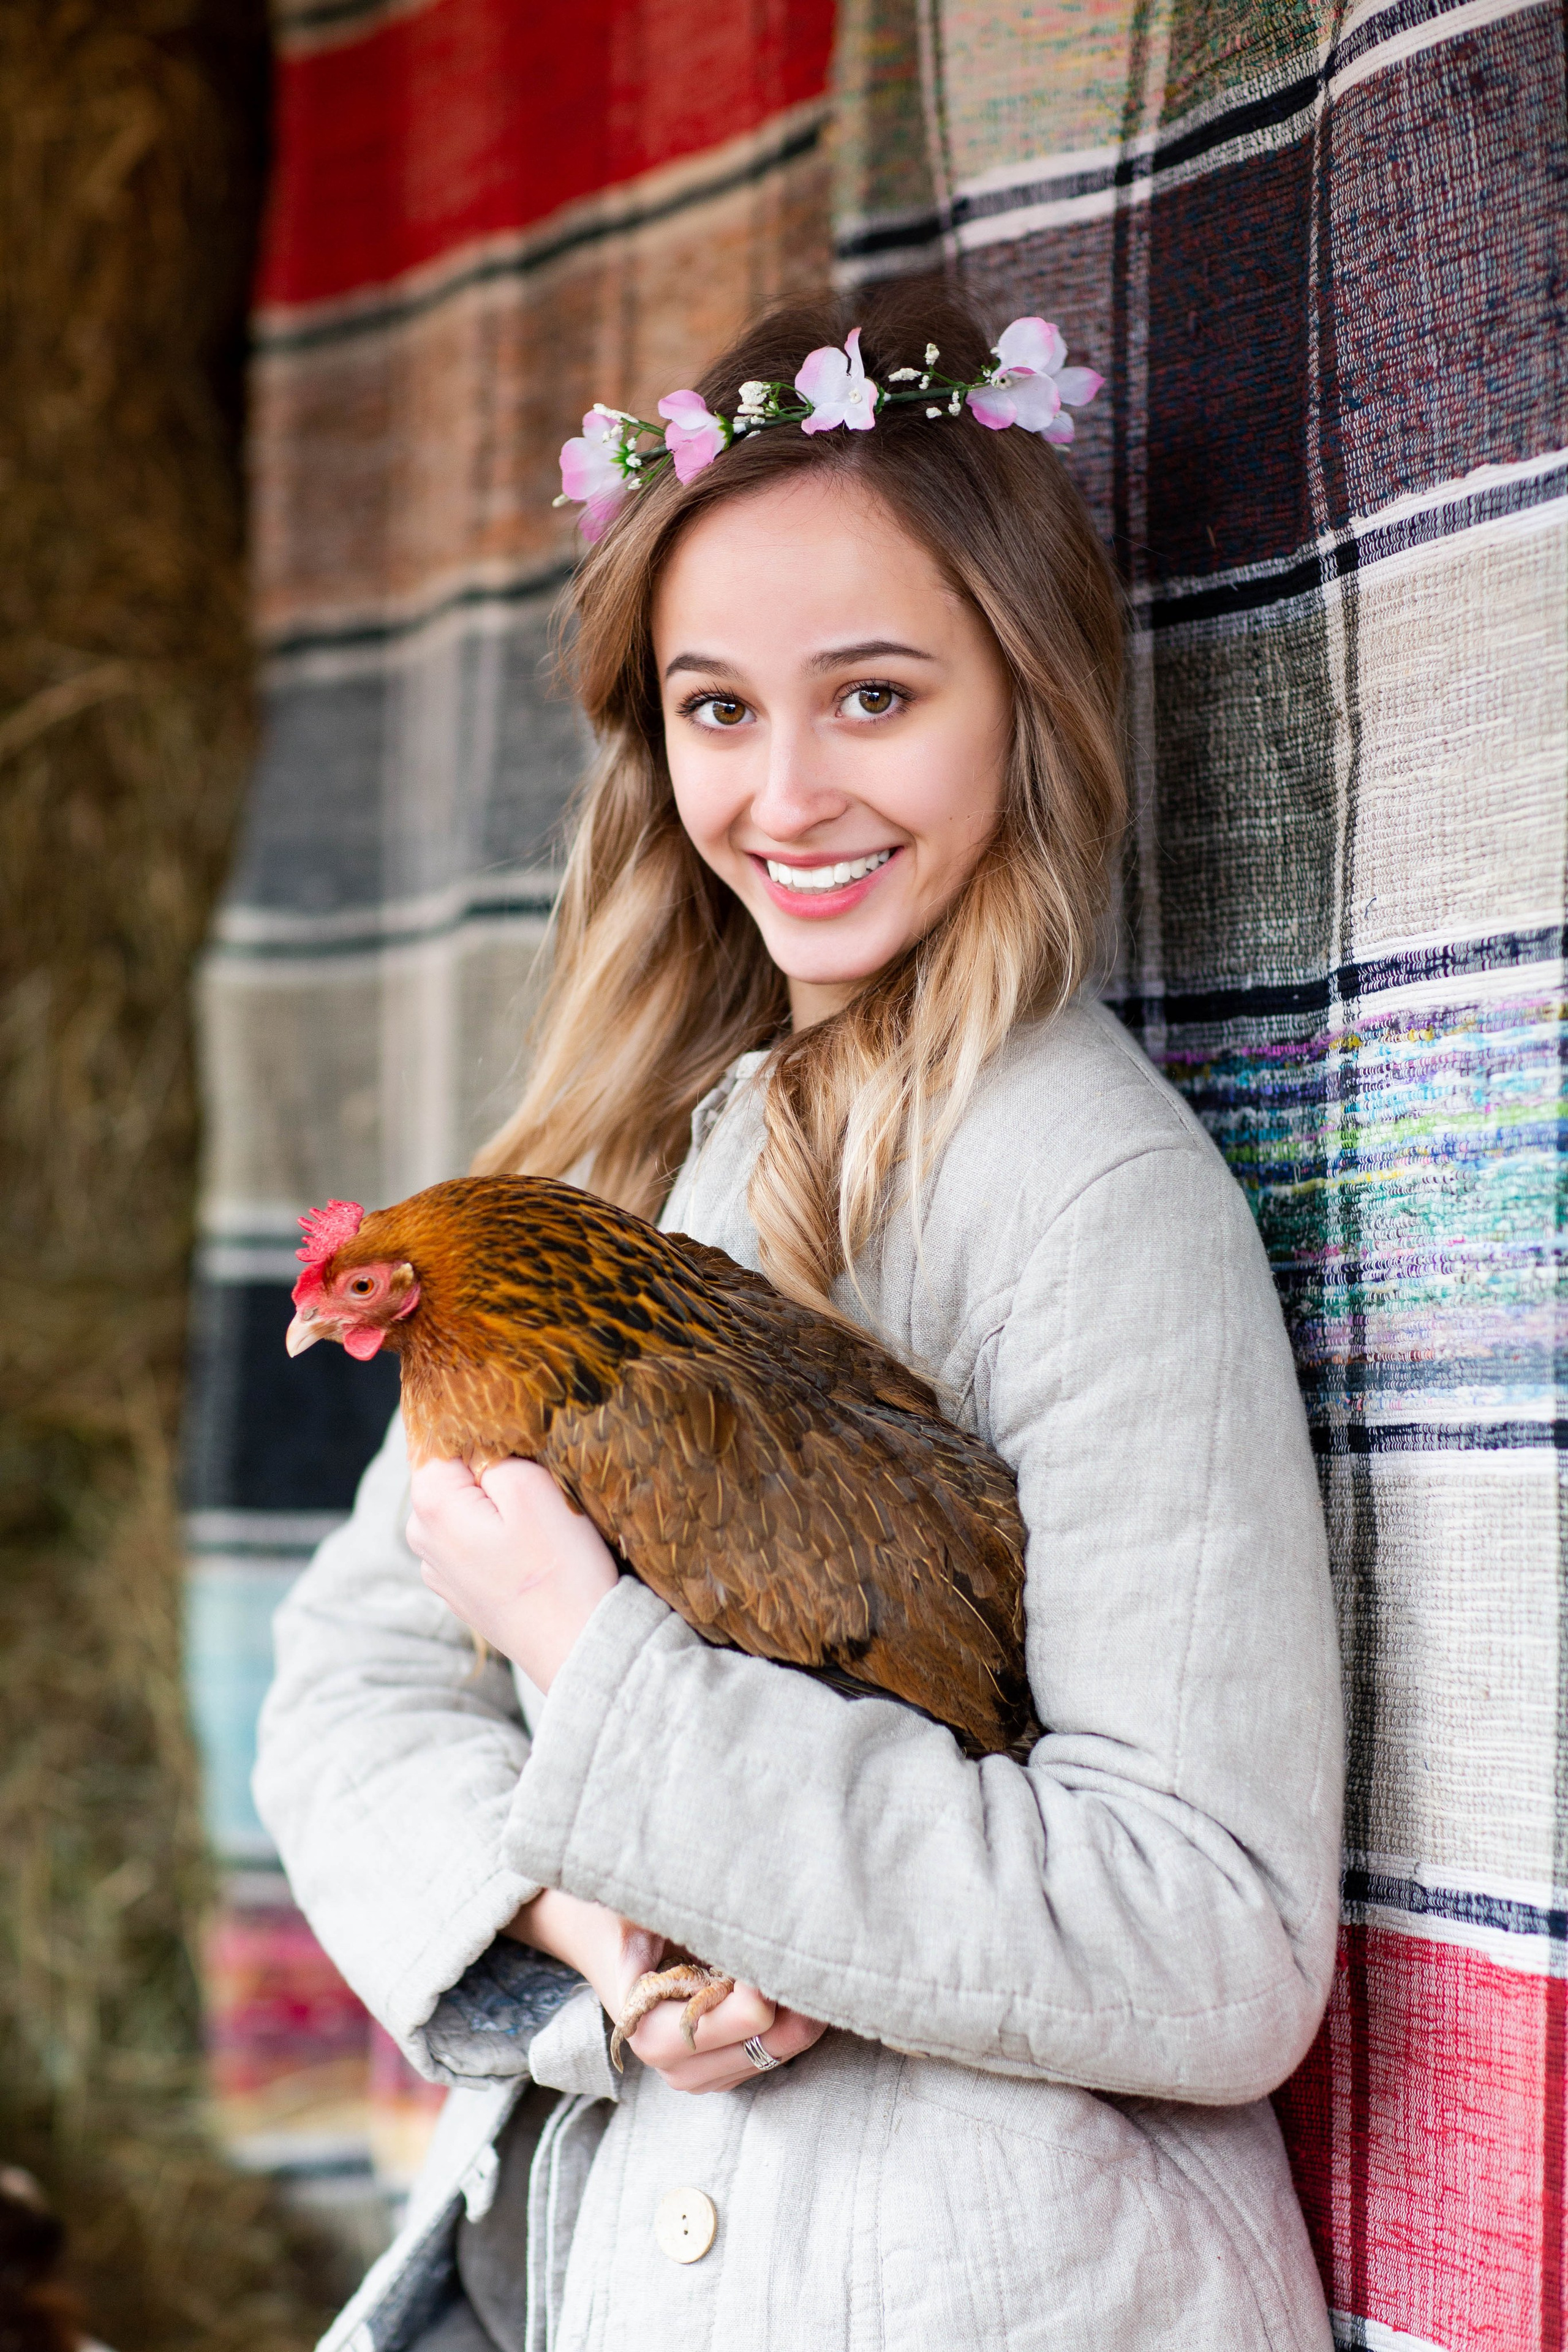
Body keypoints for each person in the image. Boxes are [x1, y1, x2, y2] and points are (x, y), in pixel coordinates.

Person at [255, 284, 1343, 2351]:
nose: (782, 795)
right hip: (594, 2248)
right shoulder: (607, 1158)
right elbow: (343, 1690)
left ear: (1027, 698)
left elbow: (1212, 1936)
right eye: (717, 709)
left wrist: (594, 1657)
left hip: (972, 2284)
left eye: (873, 696)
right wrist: (599, 1935)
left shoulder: (1086, 1193)